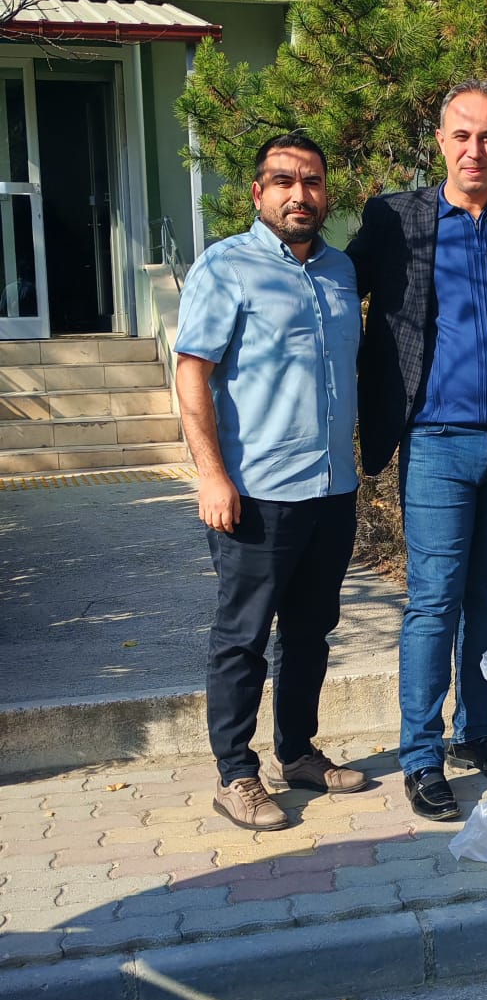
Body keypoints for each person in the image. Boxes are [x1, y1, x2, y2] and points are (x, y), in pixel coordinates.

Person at [347, 82, 487, 823]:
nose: (476, 149)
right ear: (440, 141)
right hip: (437, 441)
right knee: (434, 601)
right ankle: (420, 753)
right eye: (463, 135)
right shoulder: (396, 218)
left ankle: (477, 732)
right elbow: (337, 284)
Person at [174, 130, 367, 831]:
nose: (299, 193)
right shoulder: (226, 266)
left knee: (311, 632)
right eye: (284, 181)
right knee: (243, 638)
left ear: (325, 194)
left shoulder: (341, 271)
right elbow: (191, 372)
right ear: (258, 193)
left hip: (330, 490)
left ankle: (297, 752)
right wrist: (211, 476)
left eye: (311, 181)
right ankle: (235, 773)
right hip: (255, 494)